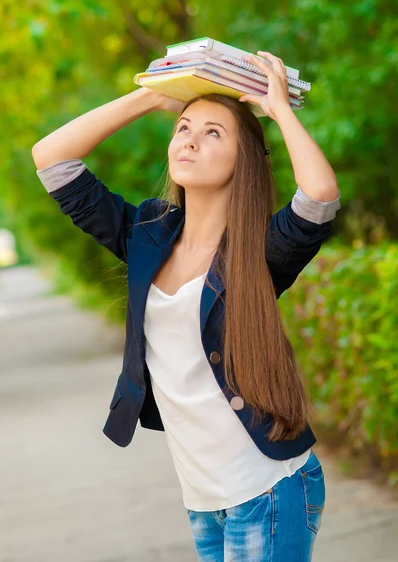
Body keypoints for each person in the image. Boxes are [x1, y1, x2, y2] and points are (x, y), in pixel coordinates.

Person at [32, 51, 341, 561]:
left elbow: (319, 195)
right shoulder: (147, 235)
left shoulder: (260, 250)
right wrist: (155, 94)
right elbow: (53, 159)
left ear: (244, 157)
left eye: (214, 132)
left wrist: (280, 109)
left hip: (268, 488)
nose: (191, 140)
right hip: (202, 497)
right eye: (183, 127)